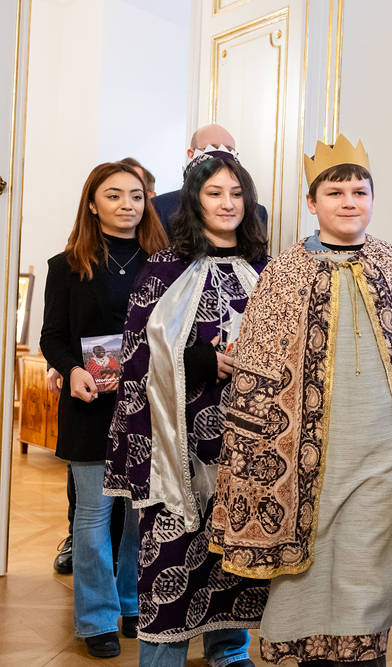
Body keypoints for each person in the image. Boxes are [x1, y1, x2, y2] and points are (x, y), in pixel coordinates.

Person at [208, 135, 392, 666]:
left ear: (373, 200)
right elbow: (255, 371)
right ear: (312, 203)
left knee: (370, 561)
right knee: (305, 570)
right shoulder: (284, 273)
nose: (349, 202)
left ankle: (363, 655)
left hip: (382, 451)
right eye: (335, 193)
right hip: (299, 454)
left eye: (360, 192)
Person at [103, 153, 271, 667]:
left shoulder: (266, 270)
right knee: (170, 561)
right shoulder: (163, 268)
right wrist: (197, 360)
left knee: (233, 555)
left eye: (236, 193)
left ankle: (230, 651)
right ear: (194, 201)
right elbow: (137, 353)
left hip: (245, 443)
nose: (227, 203)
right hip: (177, 449)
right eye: (214, 193)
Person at [39, 161, 168, 658]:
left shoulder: (166, 263)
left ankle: (133, 603)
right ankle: (95, 618)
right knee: (93, 514)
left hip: (149, 404)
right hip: (90, 403)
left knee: (140, 514)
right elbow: (52, 337)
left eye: (135, 196)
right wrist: (70, 369)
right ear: (92, 204)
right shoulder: (66, 265)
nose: (126, 205)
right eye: (113, 196)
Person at [152, 124, 268, 234]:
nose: (221, 156)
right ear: (191, 155)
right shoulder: (160, 207)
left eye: (229, 150)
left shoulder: (257, 212)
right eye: (212, 148)